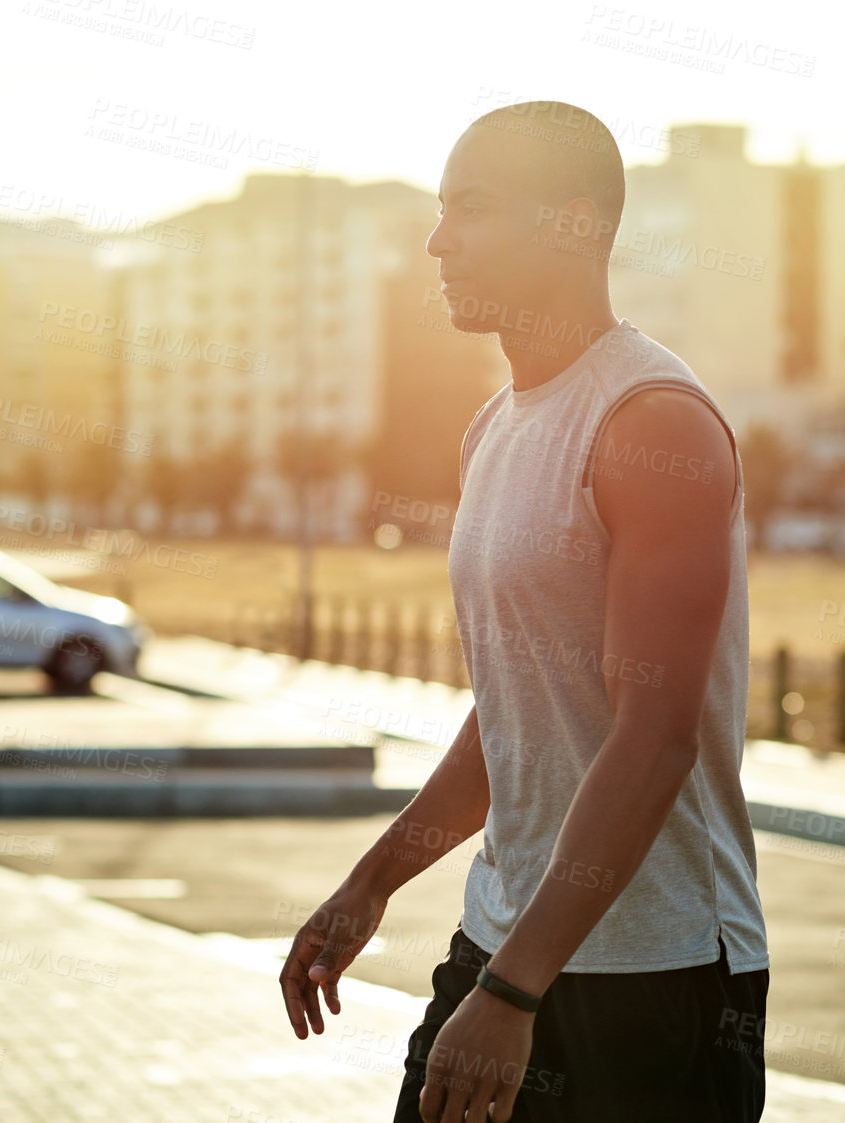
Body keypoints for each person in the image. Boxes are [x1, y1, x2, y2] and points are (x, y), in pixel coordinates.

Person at [279, 100, 769, 1123]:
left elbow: (654, 736)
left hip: (654, 978)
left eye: (474, 208)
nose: (438, 239)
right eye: (440, 209)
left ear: (577, 226)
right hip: (511, 942)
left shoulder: (652, 424)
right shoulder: (496, 427)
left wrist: (512, 994)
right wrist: (373, 881)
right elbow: (516, 709)